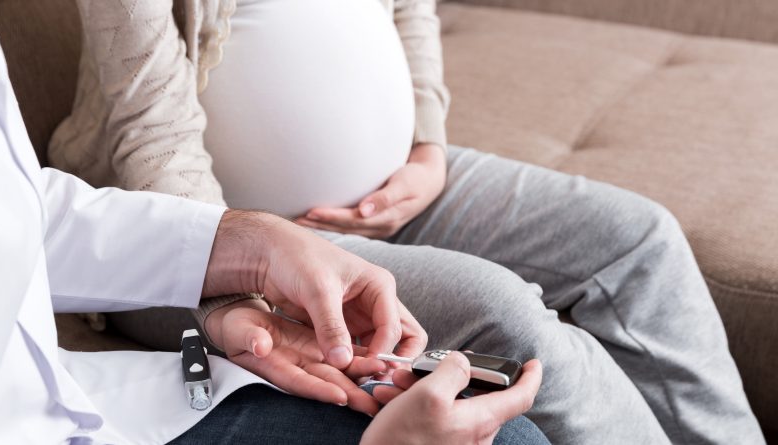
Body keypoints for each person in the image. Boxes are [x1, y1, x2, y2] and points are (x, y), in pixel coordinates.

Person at [50, 0, 766, 443]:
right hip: (213, 240)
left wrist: (427, 147)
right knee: (503, 313)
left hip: (404, 182)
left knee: (640, 240)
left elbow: (410, 12)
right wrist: (237, 271)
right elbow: (148, 134)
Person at [0, 5, 550, 444]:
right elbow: (149, 125)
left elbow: (14, 212)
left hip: (85, 391)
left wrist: (247, 246)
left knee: (638, 246)